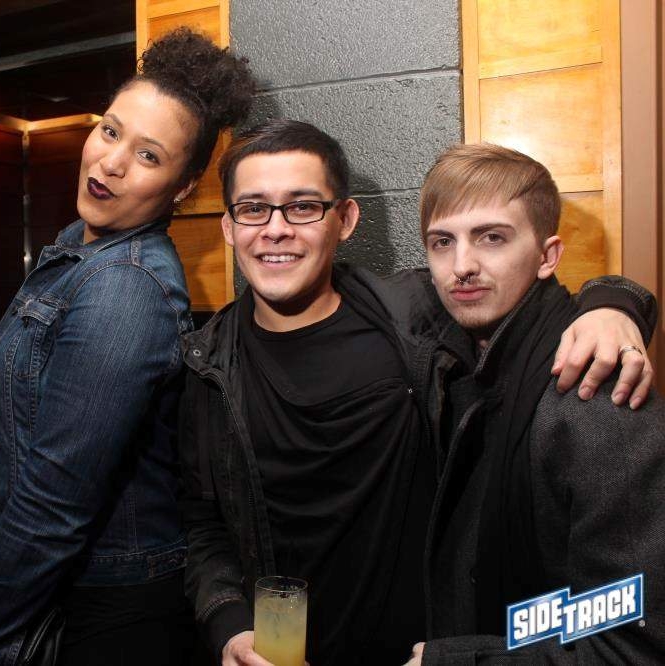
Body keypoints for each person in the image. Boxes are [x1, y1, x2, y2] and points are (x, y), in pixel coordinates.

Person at [178, 120, 655, 666]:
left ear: (345, 219)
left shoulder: (418, 320)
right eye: (253, 208)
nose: (276, 229)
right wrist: (229, 625)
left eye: (303, 206)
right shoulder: (205, 362)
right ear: (229, 226)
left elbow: (524, 307)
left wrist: (613, 305)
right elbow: (202, 521)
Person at [0, 28, 257, 665]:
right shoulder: (77, 248)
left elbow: (55, 506)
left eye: (149, 156)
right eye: (110, 131)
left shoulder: (125, 287)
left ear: (183, 186)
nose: (110, 163)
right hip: (49, 585)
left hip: (99, 606)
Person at [409, 143, 665, 663]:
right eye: (442, 242)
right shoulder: (447, 357)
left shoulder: (594, 393)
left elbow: (629, 637)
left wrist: (457, 660)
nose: (462, 266)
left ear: (548, 256)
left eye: (492, 238)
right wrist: (618, 299)